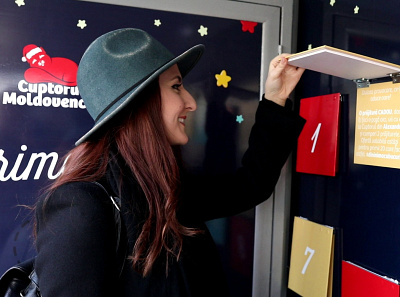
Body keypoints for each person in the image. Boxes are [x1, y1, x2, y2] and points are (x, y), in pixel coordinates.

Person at [34, 28, 306, 297]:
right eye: (176, 86)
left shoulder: (164, 186)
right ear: (140, 104)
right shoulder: (79, 205)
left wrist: (276, 99)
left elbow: (250, 186)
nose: (191, 102)